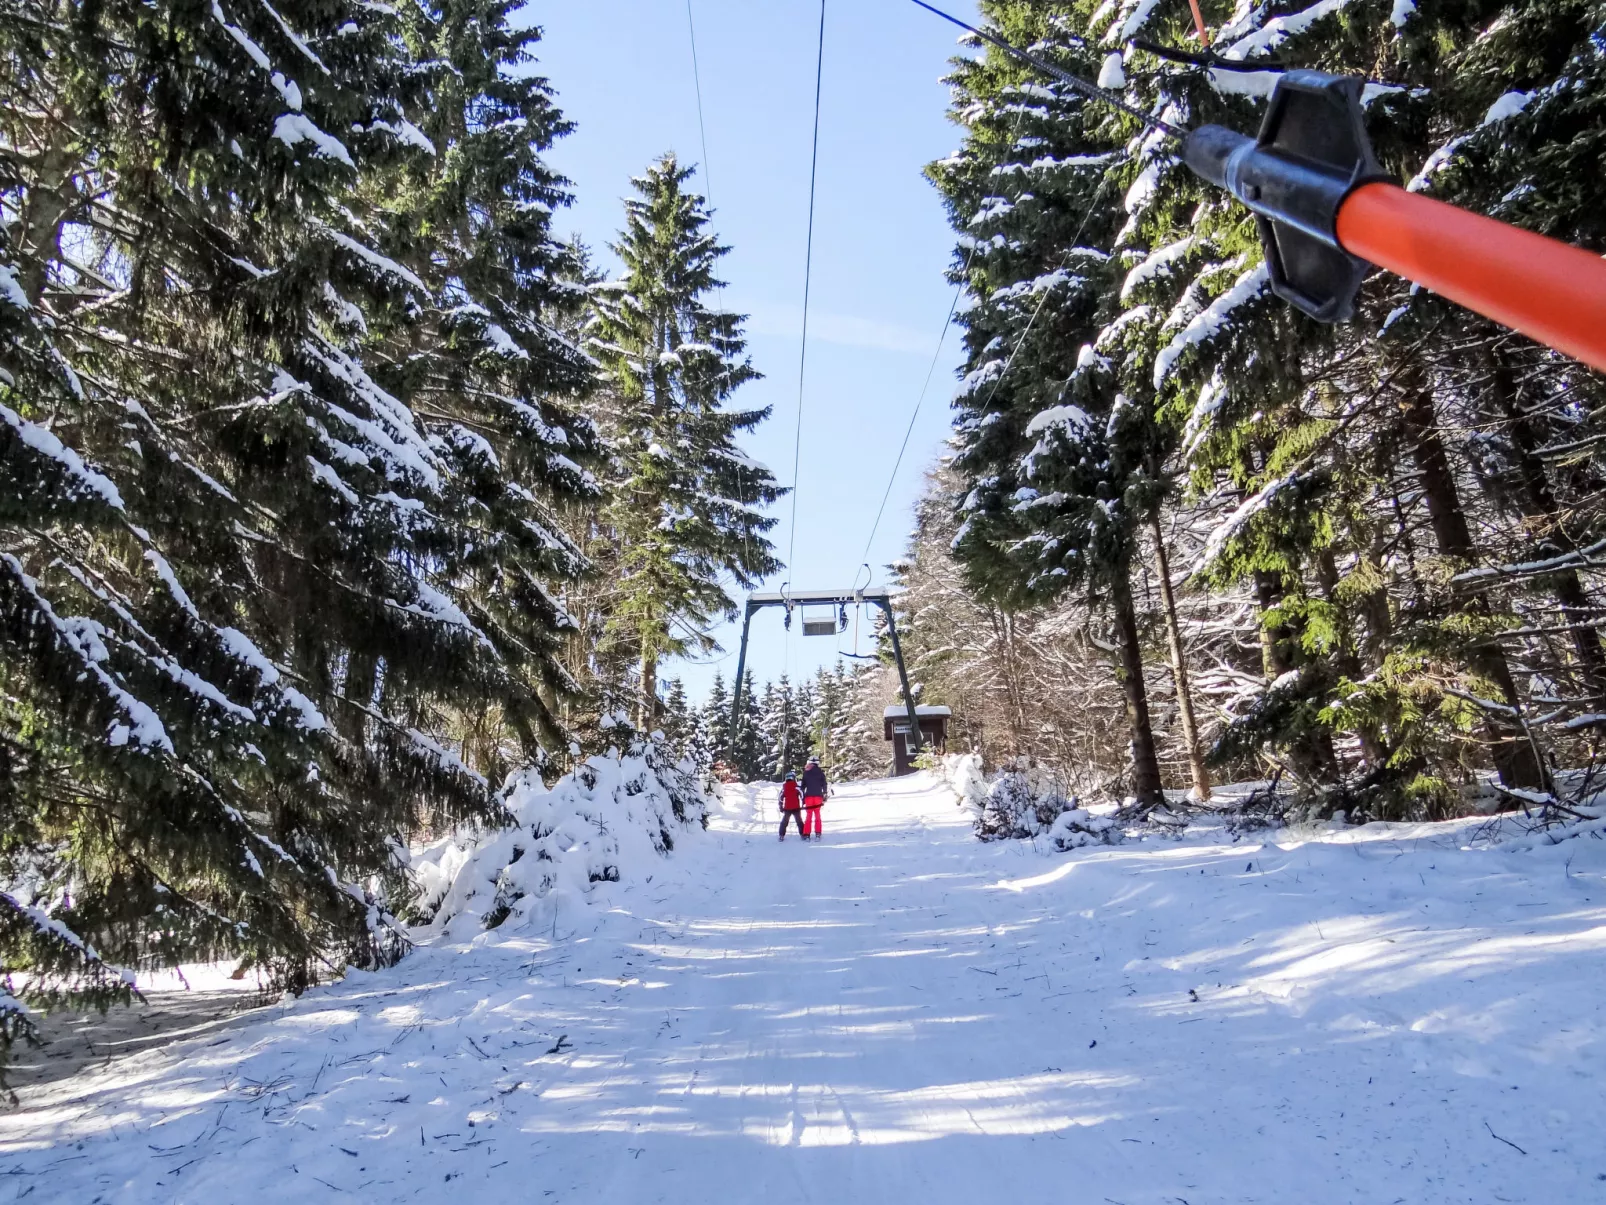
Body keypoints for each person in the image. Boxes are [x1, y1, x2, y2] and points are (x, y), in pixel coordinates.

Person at [800, 757, 828, 839]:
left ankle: (807, 833)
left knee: (808, 816)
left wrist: (802, 798)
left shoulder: (806, 772)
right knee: (817, 815)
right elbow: (824, 784)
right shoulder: (821, 772)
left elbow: (802, 786)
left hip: (808, 797)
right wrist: (824, 793)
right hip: (818, 797)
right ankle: (818, 833)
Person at [778, 772, 804, 841]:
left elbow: (780, 798)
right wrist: (803, 803)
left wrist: (781, 806)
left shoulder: (784, 788)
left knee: (784, 822)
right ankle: (802, 834)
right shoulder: (796, 787)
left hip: (787, 808)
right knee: (799, 821)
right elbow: (802, 795)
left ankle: (781, 835)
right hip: (796, 808)